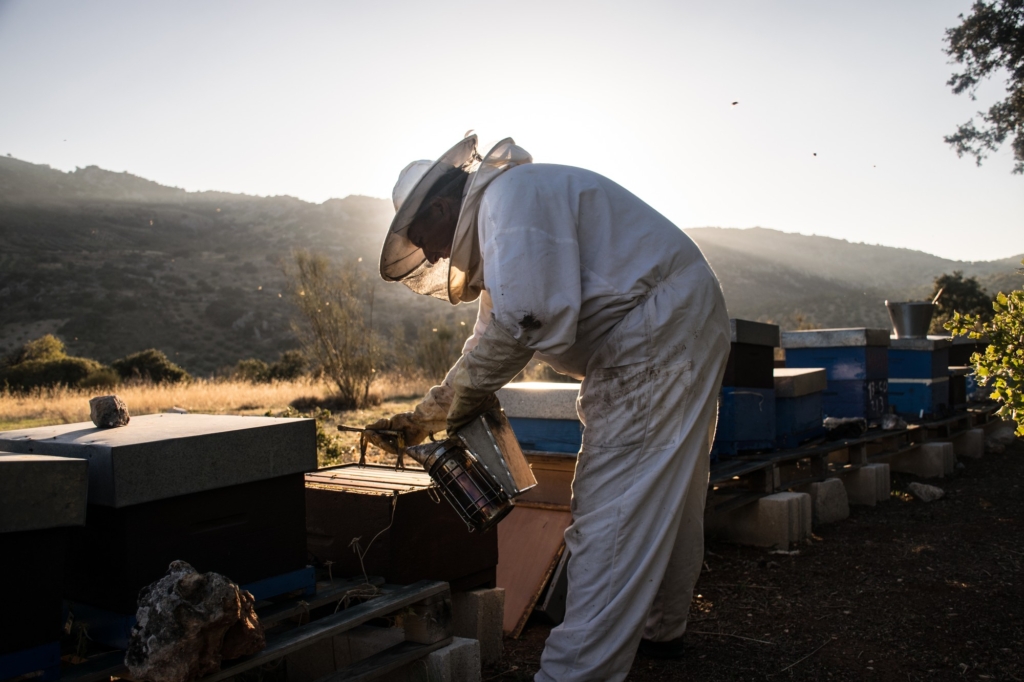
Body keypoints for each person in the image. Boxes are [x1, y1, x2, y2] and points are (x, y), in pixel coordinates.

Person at [367, 134, 730, 682]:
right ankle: (663, 629)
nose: (437, 256)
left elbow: (525, 319)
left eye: (427, 240)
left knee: (611, 510)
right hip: (676, 322)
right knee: (671, 490)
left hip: (656, 333)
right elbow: (490, 335)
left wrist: (458, 403)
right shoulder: (510, 214)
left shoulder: (510, 203)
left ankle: (573, 673)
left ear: (444, 208)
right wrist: (427, 413)